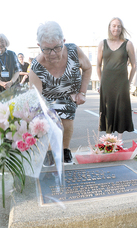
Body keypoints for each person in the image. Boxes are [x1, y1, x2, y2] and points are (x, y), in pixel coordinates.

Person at [29, 21, 92, 163]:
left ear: (63, 41)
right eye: (46, 49)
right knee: (49, 122)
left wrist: (82, 92)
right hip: (47, 96)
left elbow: (88, 68)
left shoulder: (74, 51)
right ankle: (50, 152)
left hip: (69, 93)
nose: (52, 54)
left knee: (66, 117)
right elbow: (36, 99)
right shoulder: (36, 67)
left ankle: (65, 150)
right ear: (39, 46)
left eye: (57, 48)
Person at [97, 17, 136, 141]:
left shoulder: (128, 43)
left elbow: (134, 65)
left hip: (121, 83)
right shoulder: (102, 43)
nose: (116, 28)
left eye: (119, 26)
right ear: (110, 27)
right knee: (107, 108)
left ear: (122, 28)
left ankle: (119, 140)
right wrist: (101, 81)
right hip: (106, 82)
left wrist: (128, 83)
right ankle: (108, 139)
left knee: (121, 109)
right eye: (114, 26)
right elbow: (98, 65)